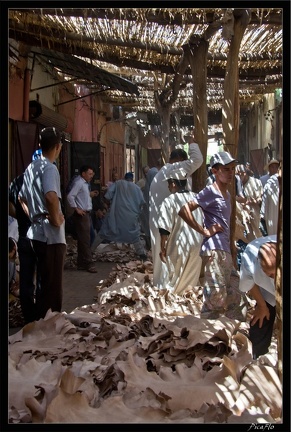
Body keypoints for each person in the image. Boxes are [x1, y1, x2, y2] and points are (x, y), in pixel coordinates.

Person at [178, 151, 248, 321]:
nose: (231, 172)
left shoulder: (228, 194)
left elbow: (226, 222)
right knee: (215, 297)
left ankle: (233, 333)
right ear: (215, 171)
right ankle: (205, 338)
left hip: (225, 251)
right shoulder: (210, 191)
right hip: (214, 250)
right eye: (226, 169)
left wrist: (232, 246)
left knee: (235, 296)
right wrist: (204, 231)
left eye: (232, 169)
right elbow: (184, 210)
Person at [18, 127, 67, 320]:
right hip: (50, 236)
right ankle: (50, 328)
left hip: (35, 233)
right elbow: (51, 196)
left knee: (41, 284)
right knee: (52, 287)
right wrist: (55, 219)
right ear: (57, 147)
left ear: (40, 145)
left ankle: (36, 322)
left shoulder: (31, 168)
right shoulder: (49, 167)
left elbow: (22, 198)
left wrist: (33, 216)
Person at [149, 137, 203, 289]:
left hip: (162, 222)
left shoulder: (161, 174)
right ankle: (171, 287)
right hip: (167, 223)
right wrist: (193, 142)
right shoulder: (175, 170)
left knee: (163, 259)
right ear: (179, 160)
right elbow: (197, 159)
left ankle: (163, 286)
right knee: (171, 257)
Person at [157, 167, 203, 295]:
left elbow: (164, 228)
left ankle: (176, 298)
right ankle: (188, 297)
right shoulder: (196, 198)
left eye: (168, 184)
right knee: (191, 276)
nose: (168, 187)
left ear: (173, 184)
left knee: (175, 277)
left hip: (179, 244)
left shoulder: (169, 201)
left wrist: (162, 248)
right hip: (197, 243)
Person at [9, 163, 42, 323]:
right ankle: (42, 314)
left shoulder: (16, 181)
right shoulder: (42, 179)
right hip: (40, 236)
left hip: (23, 235)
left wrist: (20, 219)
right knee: (43, 274)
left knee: (26, 276)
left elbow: (9, 205)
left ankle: (29, 315)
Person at [92, 172, 147, 260]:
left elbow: (108, 196)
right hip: (130, 217)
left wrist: (106, 206)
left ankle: (90, 250)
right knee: (135, 236)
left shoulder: (118, 184)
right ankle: (142, 254)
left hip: (115, 215)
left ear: (124, 178)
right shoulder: (137, 188)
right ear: (132, 179)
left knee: (103, 233)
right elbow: (141, 203)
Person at [238, 235, 277, 359]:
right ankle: (255, 358)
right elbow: (249, 283)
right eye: (269, 274)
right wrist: (261, 305)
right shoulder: (250, 257)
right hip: (267, 293)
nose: (274, 278)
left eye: (276, 273)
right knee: (260, 321)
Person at [66, 165, 98, 272]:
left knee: (83, 239)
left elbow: (80, 196)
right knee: (85, 240)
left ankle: (81, 263)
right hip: (82, 215)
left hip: (86, 214)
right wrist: (76, 209)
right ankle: (88, 263)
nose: (91, 176)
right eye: (89, 174)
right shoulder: (79, 183)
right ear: (83, 174)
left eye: (92, 174)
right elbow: (70, 196)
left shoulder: (84, 183)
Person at [235, 164, 263, 241]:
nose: (238, 176)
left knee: (256, 231)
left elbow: (259, 199)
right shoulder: (236, 183)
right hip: (241, 213)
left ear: (244, 173)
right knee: (248, 233)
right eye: (236, 174)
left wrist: (251, 202)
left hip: (254, 211)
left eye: (239, 173)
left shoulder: (256, 182)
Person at [260, 167, 281, 236]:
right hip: (272, 215)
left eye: (276, 166)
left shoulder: (270, 182)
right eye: (272, 166)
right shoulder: (269, 182)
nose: (274, 168)